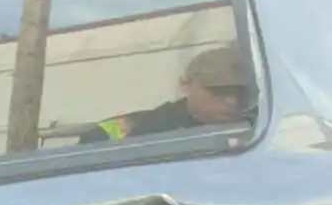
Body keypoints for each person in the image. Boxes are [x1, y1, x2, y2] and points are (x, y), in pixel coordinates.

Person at [79, 46, 255, 144]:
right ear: (185, 85)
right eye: (219, 91)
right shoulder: (149, 128)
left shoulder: (260, 125)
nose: (232, 101)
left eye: (238, 91)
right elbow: (92, 143)